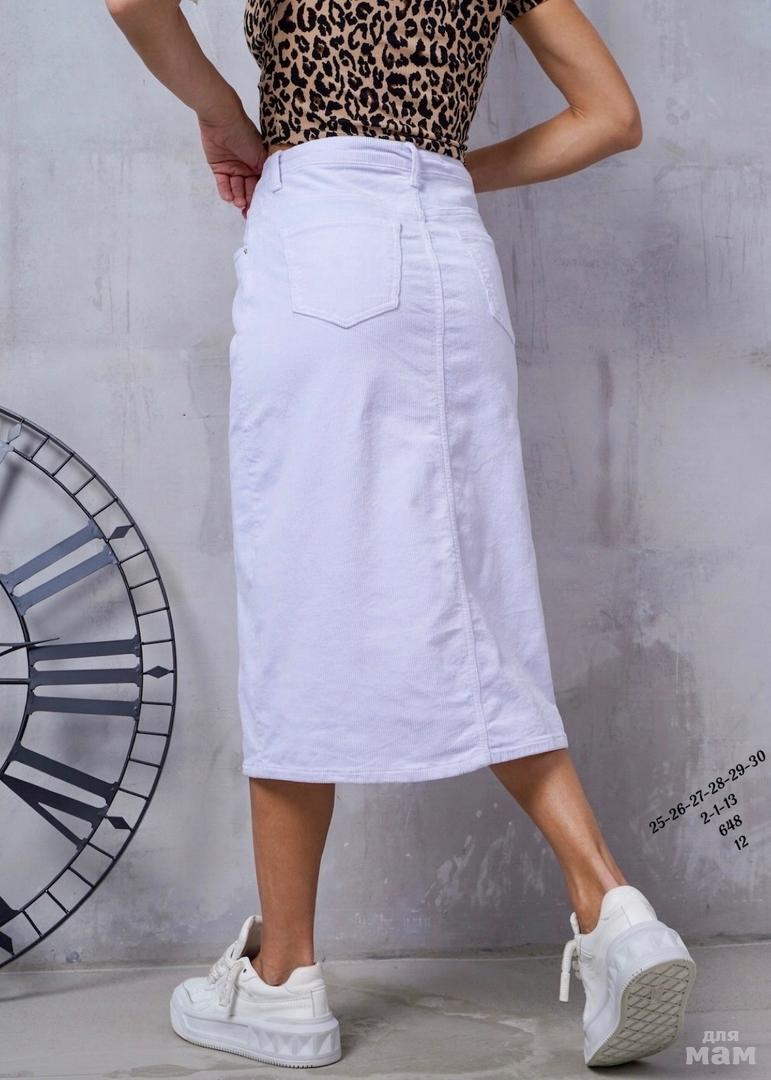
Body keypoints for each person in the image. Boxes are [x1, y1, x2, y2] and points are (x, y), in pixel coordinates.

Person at [105, 0, 697, 1069]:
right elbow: (609, 116)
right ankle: (612, 908)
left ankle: (283, 979)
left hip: (322, 237)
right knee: (474, 601)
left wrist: (225, 114)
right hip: (451, 263)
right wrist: (449, 171)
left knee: (300, 602)